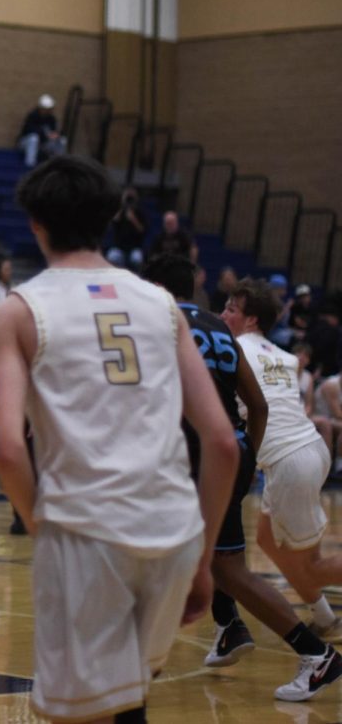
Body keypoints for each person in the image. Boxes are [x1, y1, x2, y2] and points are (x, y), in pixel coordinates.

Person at [0, 154, 238, 722]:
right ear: (107, 220)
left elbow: (7, 448)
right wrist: (199, 558)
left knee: (79, 714)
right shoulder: (162, 305)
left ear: (35, 223)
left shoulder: (19, 310)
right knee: (130, 701)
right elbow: (222, 441)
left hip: (85, 532)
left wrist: (38, 523)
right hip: (171, 532)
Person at [143, 253, 342, 698]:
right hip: (243, 452)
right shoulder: (223, 331)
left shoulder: (160, 324)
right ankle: (304, 647)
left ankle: (133, 667)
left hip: (194, 459)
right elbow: (261, 405)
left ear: (153, 287)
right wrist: (247, 453)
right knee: (235, 566)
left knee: (149, 558)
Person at [221, 280, 342, 655]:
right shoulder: (285, 355)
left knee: (310, 567)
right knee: (269, 542)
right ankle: (325, 618)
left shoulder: (233, 348)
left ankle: (321, 627)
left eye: (231, 309)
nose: (223, 315)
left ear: (251, 318)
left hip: (291, 461)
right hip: (309, 452)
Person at [17, 93, 66, 167]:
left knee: (62, 140)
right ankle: (30, 164)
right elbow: (29, 130)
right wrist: (46, 134)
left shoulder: (51, 119)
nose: (48, 111)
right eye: (46, 109)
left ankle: (59, 165)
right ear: (41, 108)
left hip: (43, 144)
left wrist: (56, 135)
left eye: (50, 109)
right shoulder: (32, 116)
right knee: (34, 138)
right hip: (26, 143)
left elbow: (55, 131)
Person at [106, 186, 147, 269]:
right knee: (112, 257)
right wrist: (122, 203)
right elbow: (114, 222)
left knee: (137, 259)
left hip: (134, 247)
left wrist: (133, 219)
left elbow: (142, 230)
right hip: (119, 247)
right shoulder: (120, 211)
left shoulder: (140, 212)